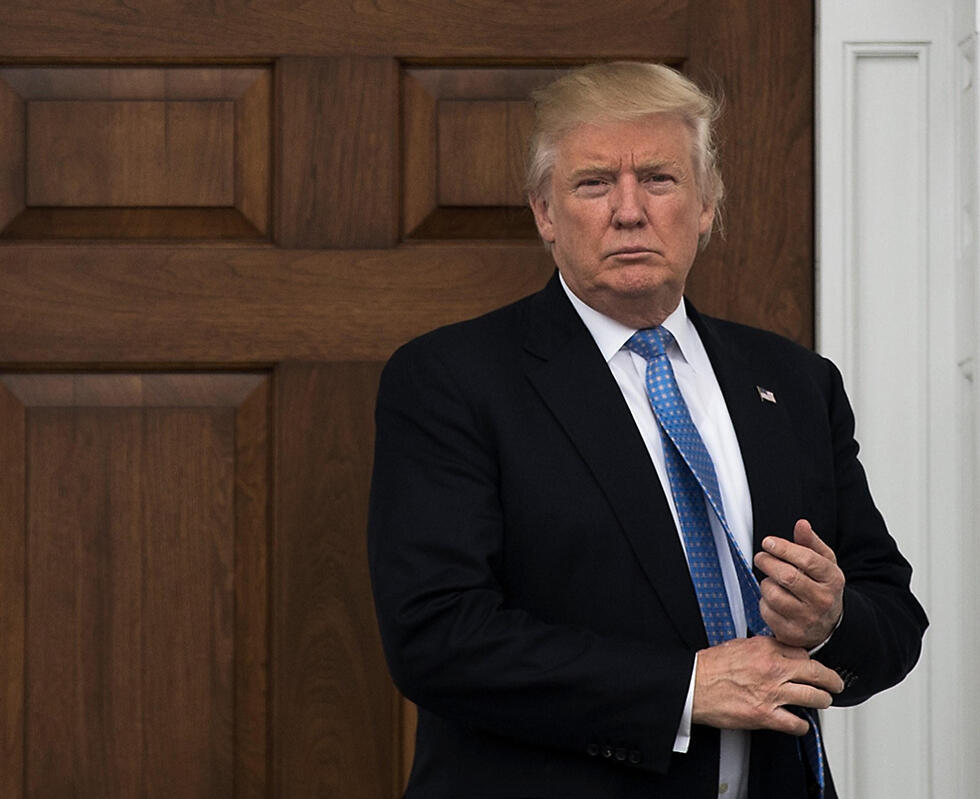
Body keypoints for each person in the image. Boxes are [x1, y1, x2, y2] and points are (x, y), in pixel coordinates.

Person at [367, 61, 927, 799]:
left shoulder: (794, 382)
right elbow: (437, 636)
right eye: (594, 183)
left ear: (706, 204)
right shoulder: (452, 380)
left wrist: (829, 620)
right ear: (544, 211)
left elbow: (893, 615)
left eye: (659, 180)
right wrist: (683, 688)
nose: (628, 211)